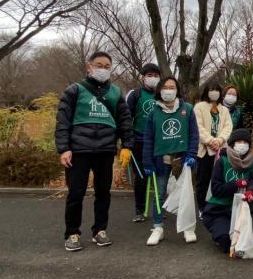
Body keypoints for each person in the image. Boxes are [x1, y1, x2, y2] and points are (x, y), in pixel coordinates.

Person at [55, 51, 134, 252]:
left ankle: (100, 230)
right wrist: (64, 148)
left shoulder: (116, 92)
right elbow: (63, 121)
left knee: (103, 193)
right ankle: (72, 233)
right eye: (99, 65)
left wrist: (127, 145)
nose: (103, 69)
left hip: (105, 150)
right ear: (89, 67)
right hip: (79, 150)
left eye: (107, 66)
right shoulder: (75, 90)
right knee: (76, 193)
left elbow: (125, 121)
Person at [142, 77, 200, 245]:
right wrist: (147, 163)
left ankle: (188, 228)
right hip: (161, 161)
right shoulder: (154, 112)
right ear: (160, 90)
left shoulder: (187, 109)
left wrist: (192, 154)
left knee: (185, 194)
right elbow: (148, 139)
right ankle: (158, 227)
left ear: (177, 89)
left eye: (172, 87)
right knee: (159, 195)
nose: (169, 90)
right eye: (165, 87)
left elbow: (194, 135)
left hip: (182, 160)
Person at [201, 129, 253, 255]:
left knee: (241, 244)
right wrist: (236, 184)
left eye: (245, 142)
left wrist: (251, 191)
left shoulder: (252, 161)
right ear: (232, 143)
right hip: (219, 210)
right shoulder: (222, 161)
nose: (242, 144)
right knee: (226, 241)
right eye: (239, 141)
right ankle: (219, 234)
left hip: (240, 210)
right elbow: (216, 190)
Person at [125, 63, 162, 222]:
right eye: (149, 75)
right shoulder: (135, 94)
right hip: (139, 141)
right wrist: (127, 143)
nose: (153, 78)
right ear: (143, 76)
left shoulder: (163, 95)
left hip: (160, 143)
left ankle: (159, 209)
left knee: (161, 176)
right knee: (141, 177)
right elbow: (126, 119)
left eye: (156, 75)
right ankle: (139, 209)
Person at [194, 82, 233, 212]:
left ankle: (217, 205)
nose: (214, 92)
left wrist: (220, 140)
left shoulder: (224, 109)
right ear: (206, 91)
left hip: (220, 150)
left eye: (216, 89)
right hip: (204, 151)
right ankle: (202, 207)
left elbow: (228, 126)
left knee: (219, 179)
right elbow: (198, 127)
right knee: (203, 180)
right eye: (211, 89)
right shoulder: (199, 107)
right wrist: (211, 141)